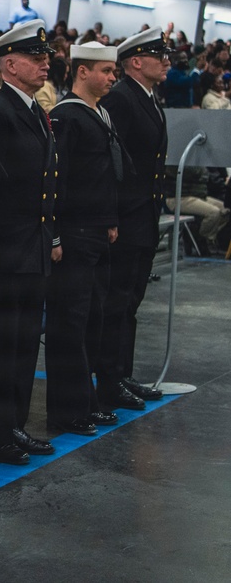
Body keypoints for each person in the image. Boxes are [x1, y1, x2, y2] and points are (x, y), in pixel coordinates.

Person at [0, 20, 57, 466]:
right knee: (4, 347)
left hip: (33, 246)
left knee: (25, 345)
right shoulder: (1, 112)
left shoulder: (33, 110)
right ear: (9, 64)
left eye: (45, 58)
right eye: (35, 58)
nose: (45, 64)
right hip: (8, 249)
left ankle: (14, 425)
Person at [45, 41, 123, 436]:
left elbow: (104, 175)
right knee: (69, 325)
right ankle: (67, 409)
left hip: (96, 230)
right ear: (82, 72)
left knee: (93, 319)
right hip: (73, 233)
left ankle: (86, 401)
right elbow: (55, 179)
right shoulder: (66, 116)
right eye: (106, 71)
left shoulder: (101, 113)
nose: (112, 78)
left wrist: (109, 219)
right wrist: (55, 234)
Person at [95, 27, 172, 409]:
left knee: (131, 300)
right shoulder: (123, 99)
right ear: (136, 61)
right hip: (127, 216)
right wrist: (114, 214)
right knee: (118, 301)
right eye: (159, 55)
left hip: (144, 214)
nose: (167, 61)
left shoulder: (149, 98)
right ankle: (110, 379)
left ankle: (121, 374)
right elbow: (112, 164)